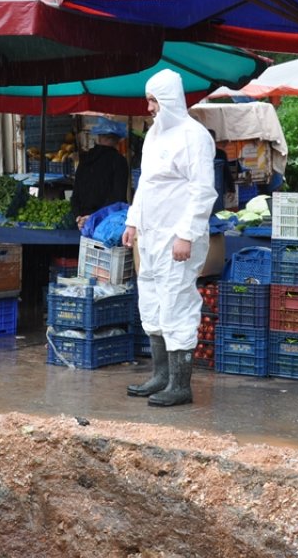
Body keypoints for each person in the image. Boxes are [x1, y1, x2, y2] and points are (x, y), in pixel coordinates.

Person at [123, 69, 218, 408]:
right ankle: (160, 375)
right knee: (151, 301)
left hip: (178, 238)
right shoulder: (154, 137)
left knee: (177, 302)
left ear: (169, 100)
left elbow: (203, 190)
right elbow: (146, 183)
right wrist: (133, 222)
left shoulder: (193, 136)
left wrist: (186, 234)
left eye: (153, 101)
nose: (148, 107)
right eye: (148, 100)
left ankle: (181, 384)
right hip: (151, 237)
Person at [72, 118, 130, 229]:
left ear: (98, 137)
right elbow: (118, 197)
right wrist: (94, 217)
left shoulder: (85, 158)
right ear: (117, 140)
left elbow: (76, 194)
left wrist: (79, 216)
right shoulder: (119, 161)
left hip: (82, 222)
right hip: (106, 223)